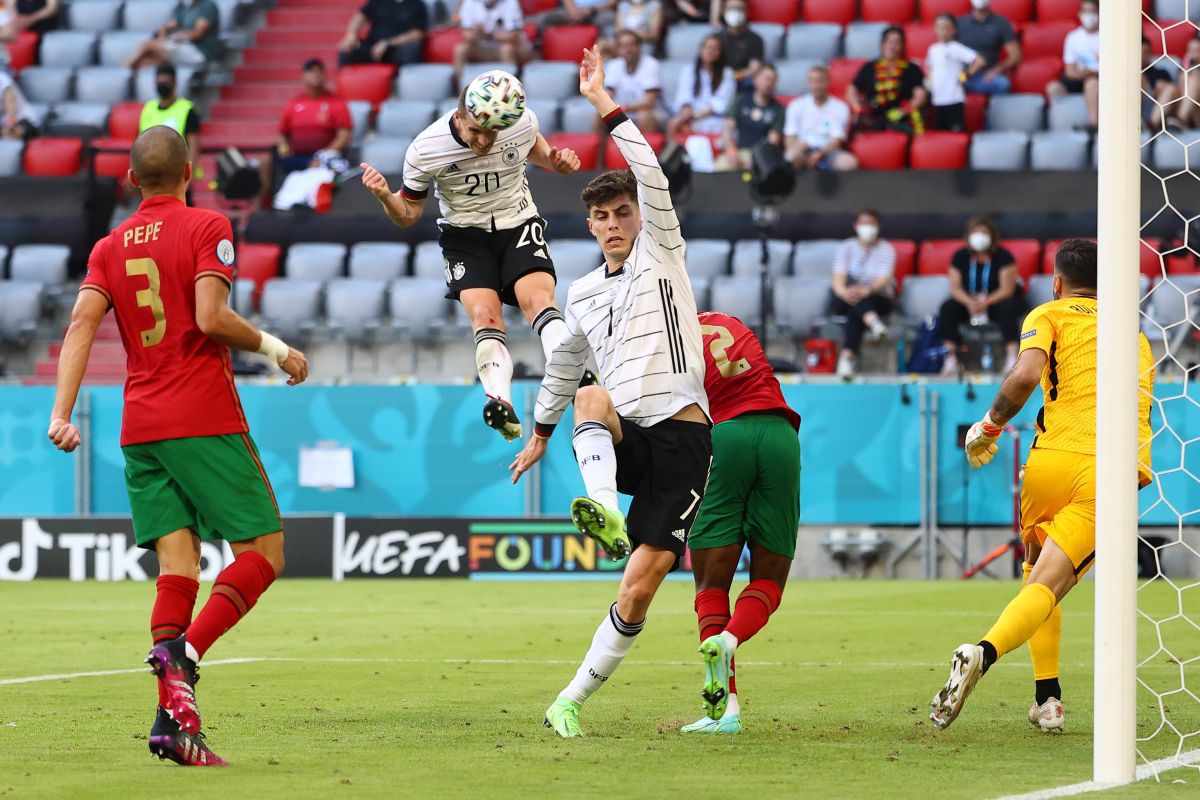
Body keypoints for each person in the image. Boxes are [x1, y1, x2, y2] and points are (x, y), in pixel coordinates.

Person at [47, 127, 308, 766]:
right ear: (189, 172)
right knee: (265, 551)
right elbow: (211, 317)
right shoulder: (205, 225)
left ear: (133, 180)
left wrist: (61, 412)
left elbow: (81, 323)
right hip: (201, 413)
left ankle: (173, 728)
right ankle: (181, 656)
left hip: (140, 426)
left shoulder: (108, 247)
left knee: (178, 564)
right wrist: (277, 349)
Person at [509, 47, 712, 738]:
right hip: (629, 431)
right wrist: (539, 430)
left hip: (683, 440)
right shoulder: (585, 291)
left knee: (639, 587)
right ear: (591, 224)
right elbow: (565, 360)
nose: (616, 223)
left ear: (637, 215)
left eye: (624, 211)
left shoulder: (663, 251)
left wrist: (603, 102)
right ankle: (603, 511)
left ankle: (568, 699)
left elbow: (649, 171)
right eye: (604, 216)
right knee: (589, 399)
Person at [929, 239, 1155, 732]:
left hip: (1047, 463)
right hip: (1104, 469)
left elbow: (1026, 373)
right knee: (1050, 586)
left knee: (1035, 572)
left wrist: (986, 425)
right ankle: (982, 652)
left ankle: (1047, 699)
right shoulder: (1133, 335)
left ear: (1057, 281)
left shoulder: (1048, 312)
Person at [361, 70, 581, 442]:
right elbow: (409, 215)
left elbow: (537, 150)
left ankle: (574, 374)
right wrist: (386, 196)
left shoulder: (521, 123)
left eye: (492, 134)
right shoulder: (425, 149)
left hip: (518, 221)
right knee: (484, 316)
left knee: (538, 301)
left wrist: (556, 162)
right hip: (465, 235)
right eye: (476, 130)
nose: (483, 141)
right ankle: (500, 401)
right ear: (460, 115)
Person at [680, 310, 800, 735]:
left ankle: (727, 709)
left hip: (724, 438)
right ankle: (728, 642)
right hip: (780, 435)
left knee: (711, 586)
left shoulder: (665, 335)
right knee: (769, 581)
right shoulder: (726, 320)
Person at [936, 215, 1024, 376]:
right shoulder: (960, 256)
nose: (980, 236)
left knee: (1008, 307)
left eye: (984, 232)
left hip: (996, 301)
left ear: (992, 236)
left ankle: (1012, 357)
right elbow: (955, 288)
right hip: (970, 302)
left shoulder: (1004, 256)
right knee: (948, 307)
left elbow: (1007, 289)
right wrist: (969, 302)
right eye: (976, 232)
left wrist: (986, 302)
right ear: (968, 236)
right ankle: (950, 358)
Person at [827, 210, 895, 379]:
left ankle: (847, 357)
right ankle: (873, 323)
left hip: (875, 296)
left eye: (871, 223)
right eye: (864, 223)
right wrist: (845, 293)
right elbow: (838, 278)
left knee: (854, 313)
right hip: (844, 296)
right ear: (856, 226)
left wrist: (866, 290)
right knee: (853, 301)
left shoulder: (886, 249)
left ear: (878, 226)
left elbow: (883, 279)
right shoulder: (847, 247)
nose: (868, 228)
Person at [276, 59, 352, 179]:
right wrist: (284, 149)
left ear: (325, 75)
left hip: (326, 155)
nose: (316, 74)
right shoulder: (294, 103)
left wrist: (325, 154)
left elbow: (344, 136)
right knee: (269, 160)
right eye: (311, 71)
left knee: (329, 164)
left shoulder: (337, 103)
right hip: (298, 157)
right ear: (303, 76)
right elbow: (282, 134)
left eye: (319, 71)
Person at [847, 26, 927, 134]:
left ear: (902, 46)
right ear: (882, 45)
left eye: (897, 43)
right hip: (873, 117)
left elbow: (920, 95)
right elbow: (852, 88)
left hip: (901, 118)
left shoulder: (912, 69)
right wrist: (857, 107)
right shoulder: (870, 67)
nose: (892, 47)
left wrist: (904, 111)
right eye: (889, 42)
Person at [783, 65, 857, 172]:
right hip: (802, 147)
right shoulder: (796, 105)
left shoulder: (840, 107)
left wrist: (820, 153)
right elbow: (789, 137)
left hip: (828, 150)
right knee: (790, 156)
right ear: (808, 83)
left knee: (849, 163)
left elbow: (836, 140)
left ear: (828, 82)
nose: (817, 85)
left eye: (820, 81)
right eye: (813, 81)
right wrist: (796, 147)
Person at [718, 63, 784, 171]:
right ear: (755, 80)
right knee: (720, 168)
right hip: (739, 152)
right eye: (766, 79)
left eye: (773, 80)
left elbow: (773, 141)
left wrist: (757, 160)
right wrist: (730, 150)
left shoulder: (778, 109)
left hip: (763, 156)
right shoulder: (741, 101)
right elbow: (728, 129)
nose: (769, 83)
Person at [1046, 0, 1099, 132]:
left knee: (1091, 83)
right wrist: (1083, 74)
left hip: (1099, 79)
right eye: (1086, 12)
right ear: (1080, 14)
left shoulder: (1110, 36)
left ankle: (1094, 124)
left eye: (1093, 12)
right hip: (1078, 78)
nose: (1089, 16)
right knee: (1052, 87)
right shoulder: (1073, 37)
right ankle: (1058, 129)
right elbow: (1069, 71)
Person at [925, 14, 985, 132]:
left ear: (954, 30)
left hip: (954, 98)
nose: (943, 31)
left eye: (947, 28)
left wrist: (965, 75)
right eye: (940, 28)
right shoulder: (933, 49)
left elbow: (979, 61)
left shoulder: (956, 48)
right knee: (941, 134)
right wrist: (931, 81)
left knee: (956, 132)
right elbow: (929, 66)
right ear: (935, 29)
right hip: (938, 100)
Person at [668, 34, 736, 137]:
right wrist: (686, 109)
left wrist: (697, 115)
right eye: (708, 47)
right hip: (690, 115)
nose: (710, 51)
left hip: (714, 117)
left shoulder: (727, 73)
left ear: (720, 53)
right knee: (674, 123)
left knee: (726, 128)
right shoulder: (689, 70)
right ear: (701, 50)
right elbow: (684, 94)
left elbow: (722, 102)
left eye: (715, 49)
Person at [126, 0, 221, 70]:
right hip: (183, 46)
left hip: (199, 50)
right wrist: (162, 36)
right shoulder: (186, 8)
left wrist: (177, 36)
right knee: (146, 60)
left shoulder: (208, 6)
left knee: (146, 45)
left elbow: (198, 34)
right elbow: (168, 26)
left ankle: (125, 68)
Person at [603, 30, 665, 133]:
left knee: (644, 115)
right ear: (618, 49)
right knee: (599, 115)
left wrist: (623, 109)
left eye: (631, 45)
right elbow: (607, 96)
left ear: (639, 47)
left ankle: (646, 149)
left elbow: (649, 102)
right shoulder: (614, 65)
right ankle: (599, 149)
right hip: (622, 111)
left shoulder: (651, 64)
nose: (628, 50)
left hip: (652, 112)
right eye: (623, 46)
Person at [453, 0, 532, 80]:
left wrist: (488, 35)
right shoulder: (470, 2)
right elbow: (466, 35)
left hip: (509, 49)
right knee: (460, 49)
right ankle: (458, 88)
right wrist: (476, 33)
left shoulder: (510, 2)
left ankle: (509, 87)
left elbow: (514, 36)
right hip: (483, 49)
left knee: (507, 49)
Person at [956, 0, 1020, 95]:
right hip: (964, 74)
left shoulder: (1001, 23)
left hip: (985, 75)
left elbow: (1015, 56)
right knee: (947, 83)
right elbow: (946, 48)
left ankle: (994, 108)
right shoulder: (959, 23)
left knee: (1002, 84)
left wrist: (997, 69)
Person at [337, 0, 427, 67]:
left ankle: (407, 86)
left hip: (396, 49)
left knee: (411, 50)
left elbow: (417, 34)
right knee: (347, 48)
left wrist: (387, 43)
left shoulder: (417, 5)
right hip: (372, 47)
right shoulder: (378, 1)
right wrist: (351, 36)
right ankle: (345, 86)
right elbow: (359, 17)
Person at [715, 0, 763, 91]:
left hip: (742, 81)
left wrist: (734, 76)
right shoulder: (717, 38)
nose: (735, 12)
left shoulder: (755, 39)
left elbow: (755, 68)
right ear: (724, 11)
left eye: (739, 9)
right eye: (731, 9)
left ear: (746, 12)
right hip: (718, 79)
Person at [1145, 36, 1183, 130]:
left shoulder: (1161, 72)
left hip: (1157, 107)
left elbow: (1172, 93)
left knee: (1169, 89)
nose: (1142, 56)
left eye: (1145, 53)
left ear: (1150, 53)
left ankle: (1151, 125)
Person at [0, 67, 37, 139]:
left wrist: (9, 126)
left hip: (22, 121)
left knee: (11, 134)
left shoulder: (2, 79)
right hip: (2, 127)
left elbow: (11, 112)